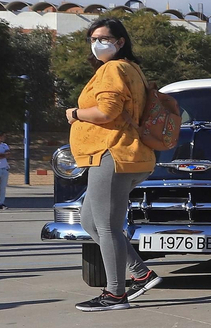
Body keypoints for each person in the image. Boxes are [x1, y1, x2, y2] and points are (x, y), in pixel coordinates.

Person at [65, 18, 162, 311]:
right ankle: (141, 273)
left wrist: (76, 113)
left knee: (107, 227)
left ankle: (116, 294)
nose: (96, 44)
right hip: (124, 154)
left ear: (120, 42)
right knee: (88, 221)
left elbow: (107, 111)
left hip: (113, 153)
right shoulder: (131, 69)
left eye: (103, 38)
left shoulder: (113, 69)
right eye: (92, 38)